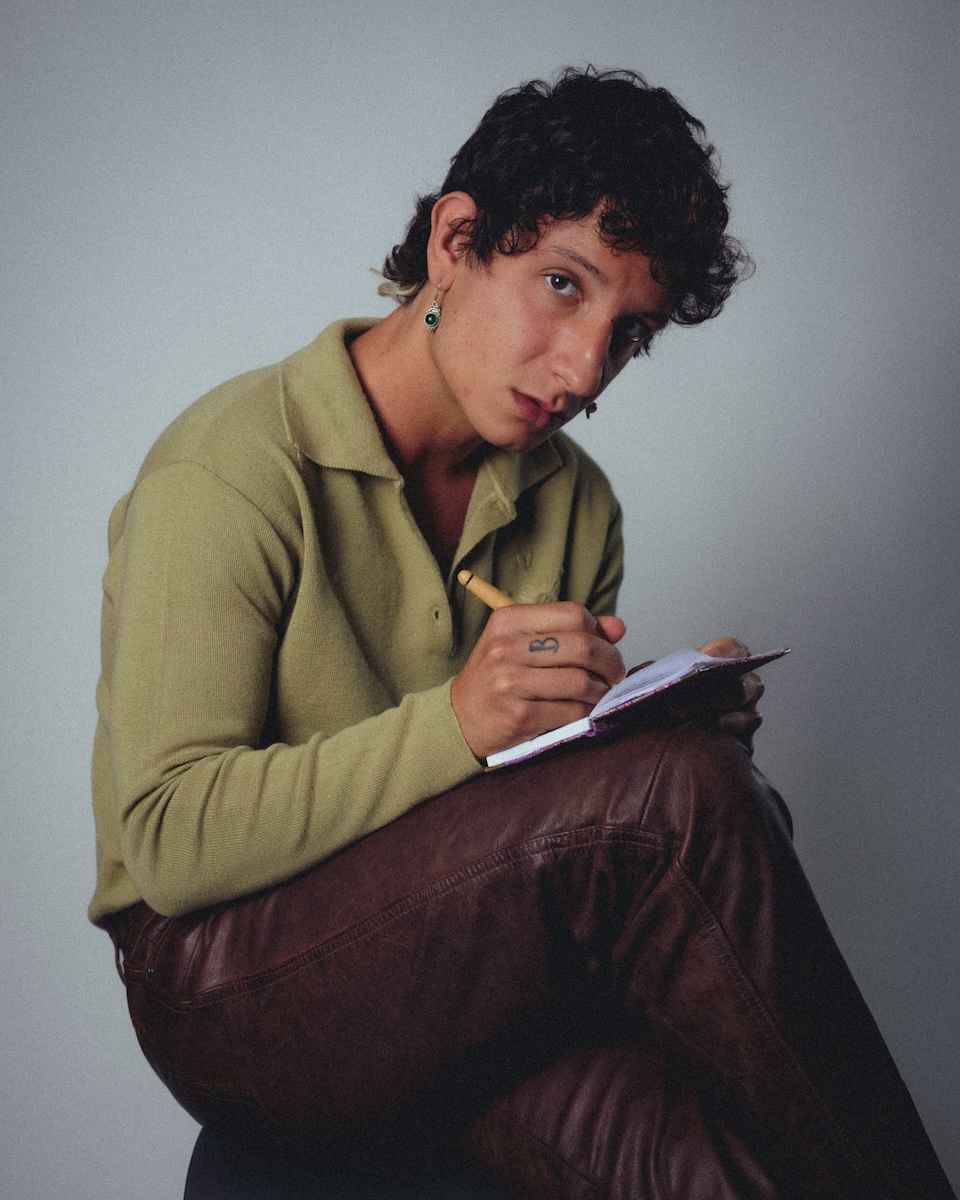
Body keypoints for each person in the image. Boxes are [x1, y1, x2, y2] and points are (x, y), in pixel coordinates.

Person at [91, 68, 955, 1198]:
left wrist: (644, 720)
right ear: (456, 242)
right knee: (673, 804)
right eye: (561, 285)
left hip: (457, 964)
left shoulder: (575, 502)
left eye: (627, 333)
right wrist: (460, 721)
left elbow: (524, 824)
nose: (585, 368)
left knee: (719, 1169)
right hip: (223, 991)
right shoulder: (234, 468)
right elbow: (168, 841)